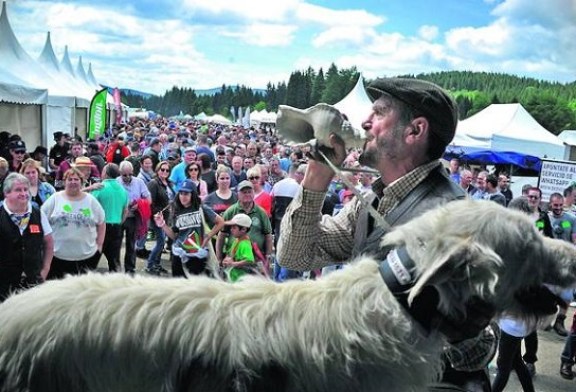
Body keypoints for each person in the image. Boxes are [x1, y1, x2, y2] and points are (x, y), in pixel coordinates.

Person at [277, 77, 494, 390]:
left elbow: (474, 346)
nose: (364, 122)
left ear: (415, 131)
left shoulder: (456, 216)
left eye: (378, 113)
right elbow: (294, 255)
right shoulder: (373, 199)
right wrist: (316, 176)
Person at [41, 168, 105, 279]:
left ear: (82, 182)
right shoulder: (55, 198)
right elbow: (41, 219)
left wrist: (99, 245)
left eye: (76, 179)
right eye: (70, 179)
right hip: (57, 257)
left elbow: (102, 222)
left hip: (86, 257)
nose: (73, 182)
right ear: (64, 181)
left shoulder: (91, 200)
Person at [153, 180, 224, 277]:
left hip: (197, 254)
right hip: (179, 253)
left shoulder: (201, 208)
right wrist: (163, 225)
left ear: (193, 194)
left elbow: (220, 222)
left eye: (186, 193)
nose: (183, 196)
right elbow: (174, 236)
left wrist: (208, 236)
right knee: (178, 285)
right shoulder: (176, 211)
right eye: (181, 193)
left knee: (195, 287)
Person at [0, 173, 53, 301]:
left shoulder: (38, 214)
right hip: (4, 285)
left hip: (33, 283)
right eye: (18, 190)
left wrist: (45, 269)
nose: (23, 193)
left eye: (25, 189)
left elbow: (49, 243)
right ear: (6, 193)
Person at [217, 180, 273, 276]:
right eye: (244, 192)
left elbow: (268, 235)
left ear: (253, 193)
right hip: (234, 258)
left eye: (249, 191)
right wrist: (219, 258)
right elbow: (221, 235)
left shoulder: (261, 212)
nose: (247, 194)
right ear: (238, 194)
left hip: (256, 260)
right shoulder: (231, 211)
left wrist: (268, 258)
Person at [90, 163, 129, 272]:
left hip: (101, 228)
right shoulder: (123, 190)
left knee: (92, 259)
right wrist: (120, 222)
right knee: (114, 260)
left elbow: (90, 205)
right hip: (116, 227)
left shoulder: (100, 187)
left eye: (102, 171)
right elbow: (125, 211)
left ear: (106, 173)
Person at [117, 161, 151, 274]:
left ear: (133, 172)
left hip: (133, 218)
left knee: (131, 245)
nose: (127, 177)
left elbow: (149, 199)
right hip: (120, 217)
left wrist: (139, 204)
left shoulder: (139, 182)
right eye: (124, 175)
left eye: (130, 174)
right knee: (116, 244)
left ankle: (130, 269)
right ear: (120, 173)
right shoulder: (116, 182)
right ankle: (116, 268)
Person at [145, 161, 175, 275]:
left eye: (167, 170)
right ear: (158, 170)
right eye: (162, 169)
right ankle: (150, 264)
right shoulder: (153, 183)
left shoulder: (169, 183)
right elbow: (149, 202)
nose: (165, 172)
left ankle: (156, 264)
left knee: (162, 242)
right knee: (161, 241)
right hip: (158, 217)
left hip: (168, 217)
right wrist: (156, 214)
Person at [221, 213, 256, 282]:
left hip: (240, 279)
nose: (231, 230)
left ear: (243, 229)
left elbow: (250, 260)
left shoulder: (244, 244)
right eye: (231, 227)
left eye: (234, 228)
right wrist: (226, 260)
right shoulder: (237, 240)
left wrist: (233, 264)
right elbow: (231, 254)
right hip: (233, 277)